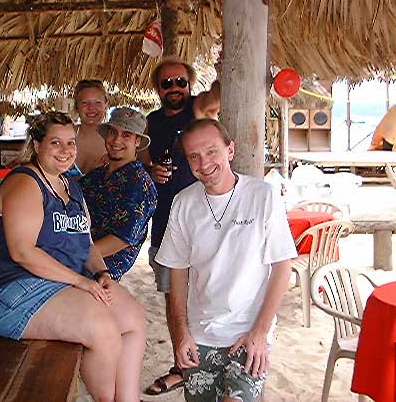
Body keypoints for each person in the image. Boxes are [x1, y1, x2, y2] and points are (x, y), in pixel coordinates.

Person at [0, 112, 146, 402]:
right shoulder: (25, 183)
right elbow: (22, 253)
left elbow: (86, 243)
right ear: (37, 145)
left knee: (133, 317)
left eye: (70, 143)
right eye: (56, 143)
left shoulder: (71, 186)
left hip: (50, 284)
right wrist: (81, 283)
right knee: (103, 328)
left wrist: (102, 274)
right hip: (3, 289)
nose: (65, 151)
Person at [155, 119, 296, 401]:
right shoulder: (184, 202)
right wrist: (181, 333)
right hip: (200, 334)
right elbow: (178, 273)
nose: (203, 163)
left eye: (211, 151)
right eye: (193, 156)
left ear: (230, 150)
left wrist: (260, 331)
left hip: (248, 331)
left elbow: (282, 267)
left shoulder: (262, 196)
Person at [139, 56, 220, 395]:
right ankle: (181, 366)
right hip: (165, 226)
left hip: (204, 224)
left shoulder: (197, 111)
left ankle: (212, 362)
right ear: (157, 89)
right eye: (166, 83)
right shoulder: (152, 121)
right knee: (174, 300)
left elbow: (217, 95)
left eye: (181, 82)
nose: (174, 88)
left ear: (190, 86)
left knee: (208, 296)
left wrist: (224, 65)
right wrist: (149, 169)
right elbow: (140, 153)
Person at [79, 107, 157, 281]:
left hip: (99, 272)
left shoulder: (140, 185)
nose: (116, 140)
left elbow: (120, 239)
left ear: (137, 141)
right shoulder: (96, 175)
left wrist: (73, 255)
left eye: (126, 135)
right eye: (113, 132)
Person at [73, 79, 108, 175]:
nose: (91, 108)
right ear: (77, 106)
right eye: (85, 103)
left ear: (105, 105)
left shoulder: (115, 140)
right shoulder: (66, 135)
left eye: (97, 102)